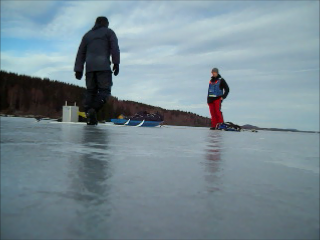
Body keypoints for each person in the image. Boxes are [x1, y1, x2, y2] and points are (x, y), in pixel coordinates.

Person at [74, 16, 120, 125]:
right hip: (103, 66)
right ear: (105, 23)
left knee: (91, 92)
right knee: (104, 91)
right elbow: (115, 48)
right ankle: (92, 110)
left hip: (89, 68)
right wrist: (116, 63)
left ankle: (91, 117)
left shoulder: (87, 35)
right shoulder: (109, 33)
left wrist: (78, 69)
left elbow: (81, 53)